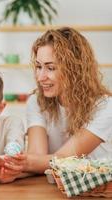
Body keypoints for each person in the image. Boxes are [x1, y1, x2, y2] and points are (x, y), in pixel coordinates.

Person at [6, 27, 112, 176]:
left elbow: (65, 158)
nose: (40, 77)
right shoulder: (36, 102)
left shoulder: (105, 107)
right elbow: (37, 158)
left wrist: (16, 164)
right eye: (38, 66)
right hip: (53, 188)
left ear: (74, 69)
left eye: (50, 68)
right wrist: (9, 171)